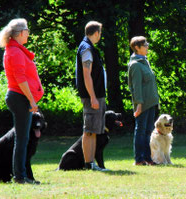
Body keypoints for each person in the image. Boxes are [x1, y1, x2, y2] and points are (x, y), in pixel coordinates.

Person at [0, 18, 44, 184]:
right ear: (21, 32)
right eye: (28, 31)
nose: (29, 34)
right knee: (22, 139)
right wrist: (31, 100)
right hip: (20, 98)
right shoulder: (15, 52)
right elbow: (21, 79)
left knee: (22, 138)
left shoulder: (16, 50)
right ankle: (19, 176)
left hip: (19, 97)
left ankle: (22, 175)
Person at [75, 21, 106, 171]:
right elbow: (86, 75)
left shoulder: (89, 47)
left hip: (97, 95)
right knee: (89, 131)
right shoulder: (86, 48)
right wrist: (92, 96)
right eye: (100, 32)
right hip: (91, 97)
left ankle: (91, 163)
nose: (100, 35)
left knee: (94, 130)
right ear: (96, 33)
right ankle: (88, 164)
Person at [128, 36, 159, 166]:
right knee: (140, 131)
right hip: (143, 104)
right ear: (137, 47)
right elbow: (136, 87)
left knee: (148, 131)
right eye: (145, 45)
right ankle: (139, 159)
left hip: (151, 103)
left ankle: (148, 158)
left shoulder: (144, 62)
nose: (147, 47)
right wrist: (139, 105)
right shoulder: (135, 65)